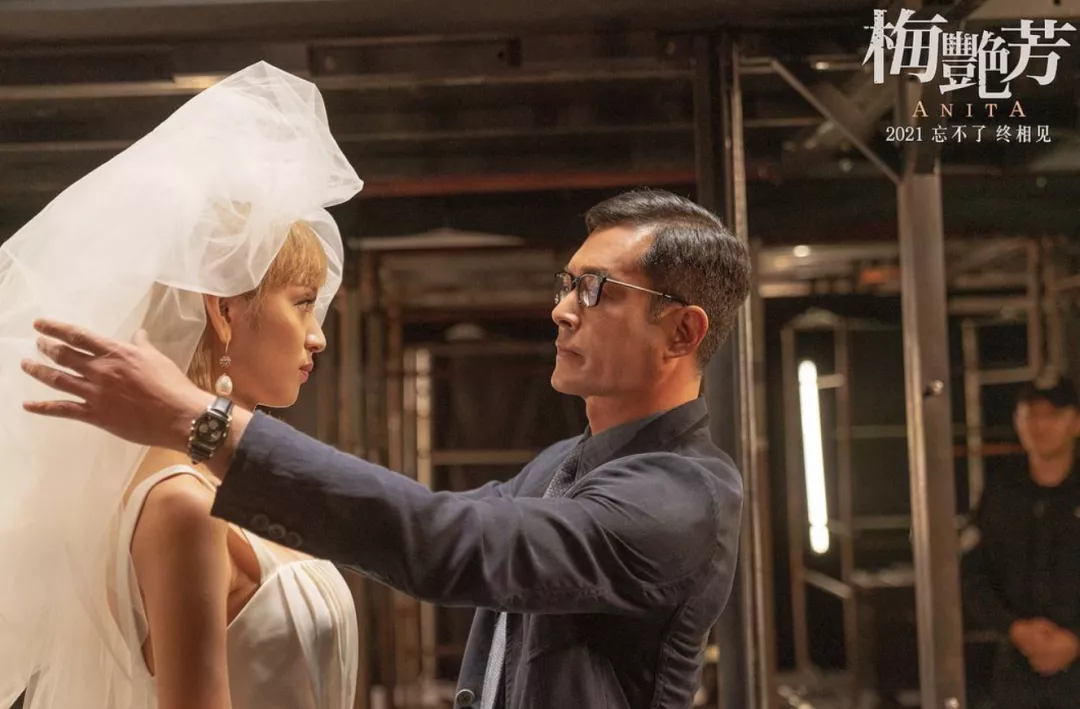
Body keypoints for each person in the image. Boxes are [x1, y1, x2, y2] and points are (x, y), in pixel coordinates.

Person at [22, 188, 750, 709]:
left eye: (595, 290)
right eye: (566, 284)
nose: (561, 309)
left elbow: (444, 541)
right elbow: (424, 523)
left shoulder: (681, 499)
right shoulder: (562, 465)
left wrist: (203, 421)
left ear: (682, 332)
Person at [0, 62, 365, 709]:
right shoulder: (182, 502)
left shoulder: (225, 483)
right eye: (303, 302)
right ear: (223, 311)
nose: (318, 336)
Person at [960, 373, 1080, 709]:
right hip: (1017, 672)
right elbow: (971, 572)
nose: (1041, 426)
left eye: (1053, 415)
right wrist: (1015, 628)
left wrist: (1075, 639)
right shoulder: (1001, 494)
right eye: (1031, 415)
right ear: (1017, 421)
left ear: (1075, 422)